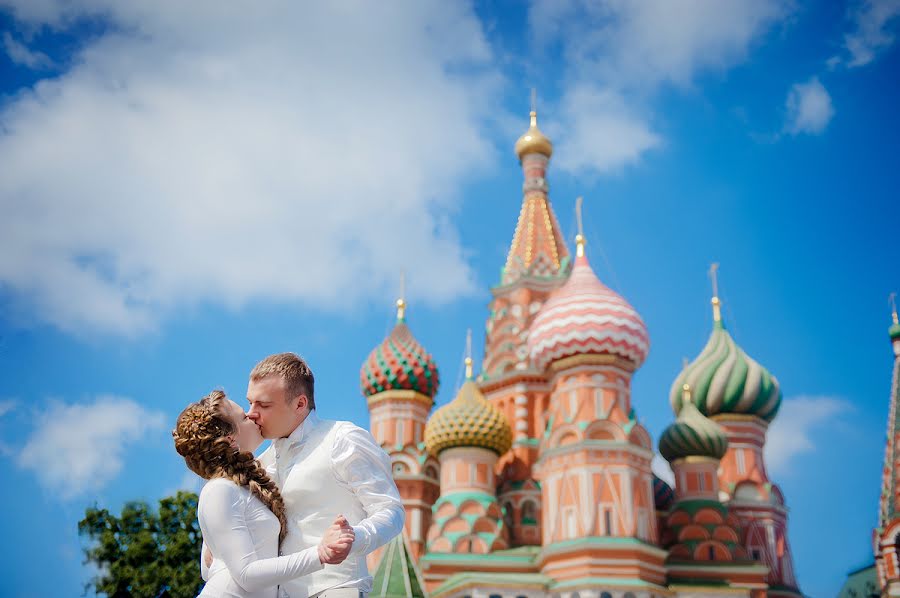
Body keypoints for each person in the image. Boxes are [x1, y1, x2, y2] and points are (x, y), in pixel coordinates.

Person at [246, 352, 404, 598]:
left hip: (337, 590)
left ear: (300, 404)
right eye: (250, 403)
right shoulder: (260, 463)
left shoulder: (343, 439)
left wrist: (354, 537)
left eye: (264, 405)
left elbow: (391, 511)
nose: (251, 413)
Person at [174, 390, 355, 597]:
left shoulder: (241, 485)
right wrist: (320, 553)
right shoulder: (219, 490)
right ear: (230, 439)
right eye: (244, 417)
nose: (253, 415)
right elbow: (244, 574)